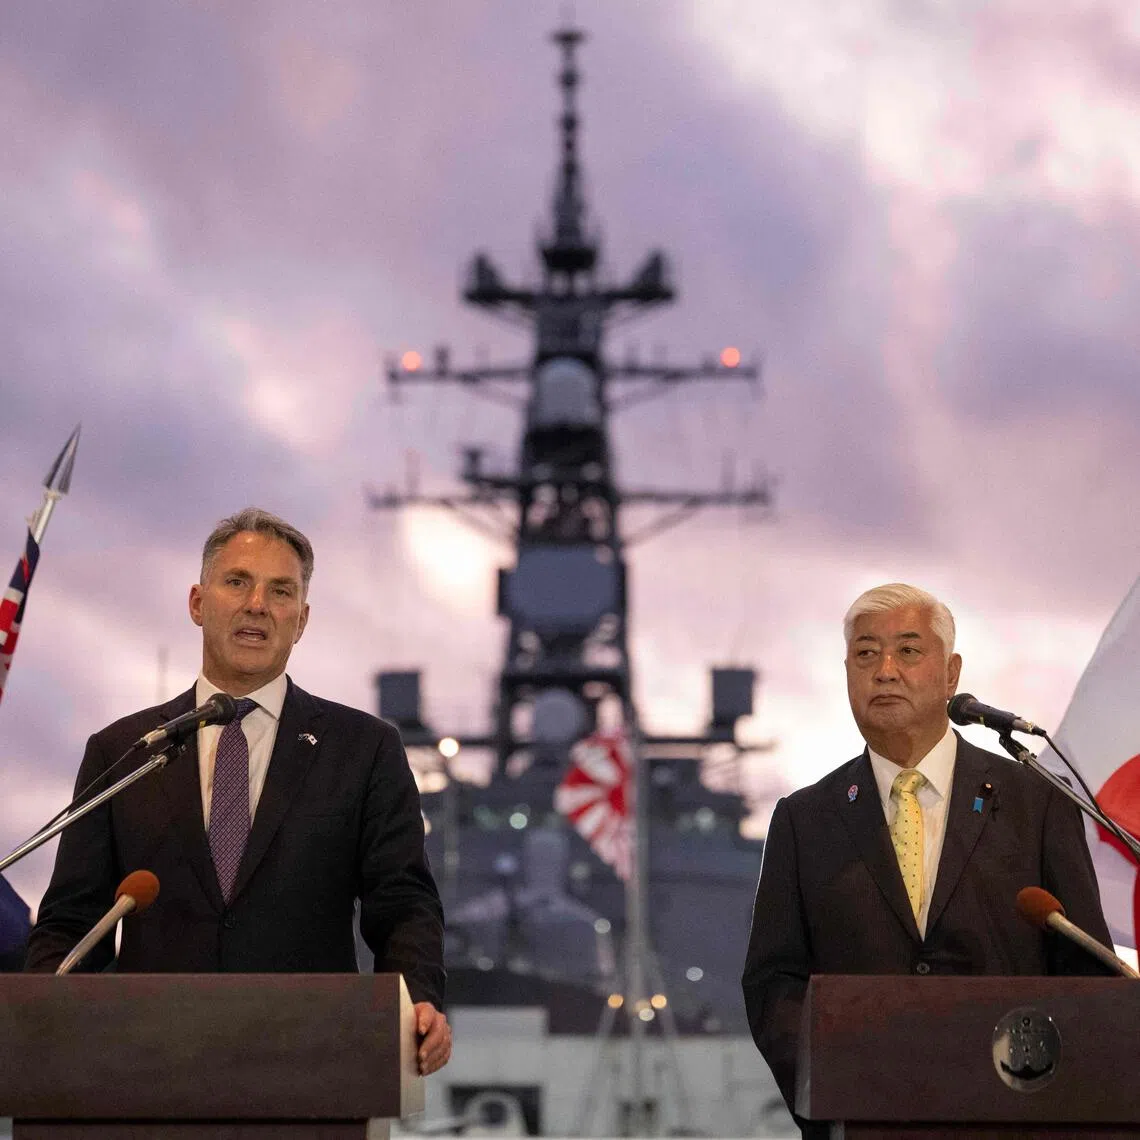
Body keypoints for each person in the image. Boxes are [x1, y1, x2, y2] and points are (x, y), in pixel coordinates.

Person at [26, 508, 451, 1074]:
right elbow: (73, 923)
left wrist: (416, 998)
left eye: (281, 592)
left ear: (301, 619)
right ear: (198, 604)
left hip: (312, 1065)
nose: (257, 605)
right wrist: (35, 1014)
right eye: (237, 582)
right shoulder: (125, 750)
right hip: (146, 1068)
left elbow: (403, 907)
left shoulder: (364, 750)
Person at [742, 583, 1111, 1131]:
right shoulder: (805, 819)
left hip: (1015, 1118)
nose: (885, 670)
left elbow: (1087, 974)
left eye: (909, 651)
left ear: (952, 673)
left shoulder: (1037, 802)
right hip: (862, 1120)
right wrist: (836, 1089)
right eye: (866, 654)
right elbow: (775, 985)